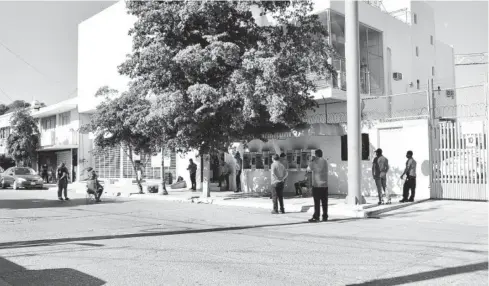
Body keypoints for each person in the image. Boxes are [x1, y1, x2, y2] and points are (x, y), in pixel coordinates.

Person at [307, 149, 329, 222]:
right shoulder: (325, 161)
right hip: (325, 184)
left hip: (317, 185)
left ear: (316, 155)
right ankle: (325, 216)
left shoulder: (314, 162)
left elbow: (308, 169)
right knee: (324, 202)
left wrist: (311, 161)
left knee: (317, 202)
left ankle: (316, 216)